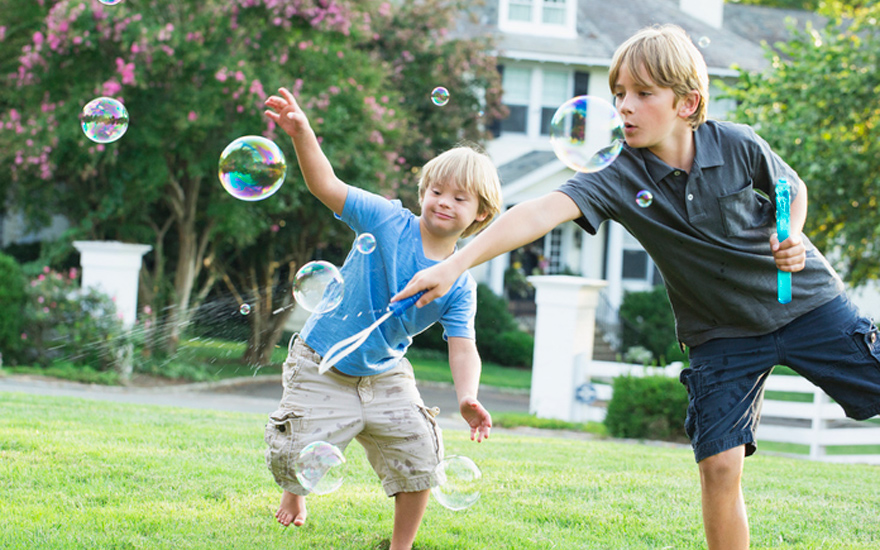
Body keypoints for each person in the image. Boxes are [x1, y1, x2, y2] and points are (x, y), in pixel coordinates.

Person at [392, 24, 880, 550]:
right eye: (619, 93)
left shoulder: (736, 143)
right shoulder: (617, 173)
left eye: (643, 94)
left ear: (687, 102)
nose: (624, 106)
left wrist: (792, 234)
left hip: (807, 305)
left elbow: (791, 187)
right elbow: (537, 212)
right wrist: (456, 263)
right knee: (718, 464)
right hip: (720, 333)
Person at [262, 87, 502, 550]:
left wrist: (468, 396)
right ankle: (296, 492)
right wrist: (302, 133)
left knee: (420, 454)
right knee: (299, 448)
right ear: (422, 191)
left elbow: (463, 346)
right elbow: (325, 185)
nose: (443, 202)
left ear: (481, 214)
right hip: (322, 360)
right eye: (436, 191)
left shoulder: (460, 285)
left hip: (386, 372)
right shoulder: (387, 221)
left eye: (459, 198)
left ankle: (401, 545)